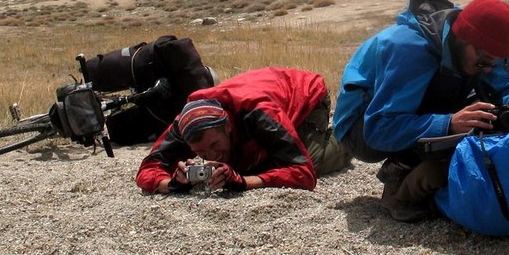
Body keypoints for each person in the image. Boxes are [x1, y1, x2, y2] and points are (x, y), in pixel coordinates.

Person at [332, 0, 509, 222]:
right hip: (361, 129)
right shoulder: (409, 49)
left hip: (396, 113)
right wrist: (448, 124)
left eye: (494, 63)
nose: (487, 69)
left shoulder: (486, 43)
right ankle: (399, 177)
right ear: (461, 38)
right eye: (482, 62)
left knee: (488, 112)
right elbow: (379, 129)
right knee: (463, 119)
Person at [136, 67, 350, 195]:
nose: (211, 155)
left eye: (214, 145)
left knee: (312, 162)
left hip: (306, 95)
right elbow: (147, 169)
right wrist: (172, 184)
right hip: (267, 93)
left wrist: (243, 182)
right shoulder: (186, 122)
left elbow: (304, 174)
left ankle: (347, 135)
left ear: (227, 126)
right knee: (255, 163)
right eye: (200, 152)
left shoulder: (258, 113)